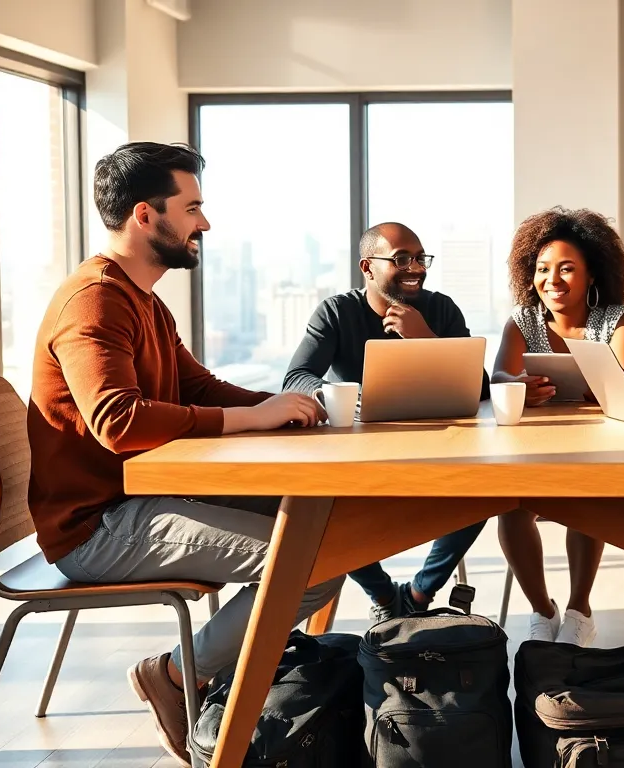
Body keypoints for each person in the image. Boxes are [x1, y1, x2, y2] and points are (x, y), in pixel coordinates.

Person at [27, 142, 338, 766]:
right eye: (193, 208)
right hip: (98, 528)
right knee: (314, 565)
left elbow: (196, 386)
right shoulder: (92, 300)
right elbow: (118, 421)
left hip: (143, 498)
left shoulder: (140, 298)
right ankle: (171, 676)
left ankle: (234, 673)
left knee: (322, 523)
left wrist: (286, 407)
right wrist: (254, 417)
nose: (205, 223)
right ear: (146, 215)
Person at [282, 222, 489, 625]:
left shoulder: (441, 310)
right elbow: (297, 378)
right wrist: (341, 394)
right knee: (319, 510)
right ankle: (381, 592)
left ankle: (418, 593)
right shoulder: (337, 312)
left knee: (486, 493)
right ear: (368, 266)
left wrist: (427, 339)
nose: (415, 267)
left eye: (420, 258)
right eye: (401, 259)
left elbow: (480, 388)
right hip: (363, 454)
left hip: (439, 450)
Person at [491, 207, 624, 647]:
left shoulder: (617, 319)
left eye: (566, 269)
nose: (552, 280)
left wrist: (604, 387)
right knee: (512, 509)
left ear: (592, 274)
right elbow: (498, 377)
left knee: (587, 499)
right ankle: (542, 609)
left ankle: (579, 608)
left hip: (595, 450)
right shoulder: (522, 321)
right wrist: (517, 385)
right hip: (533, 448)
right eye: (542, 269)